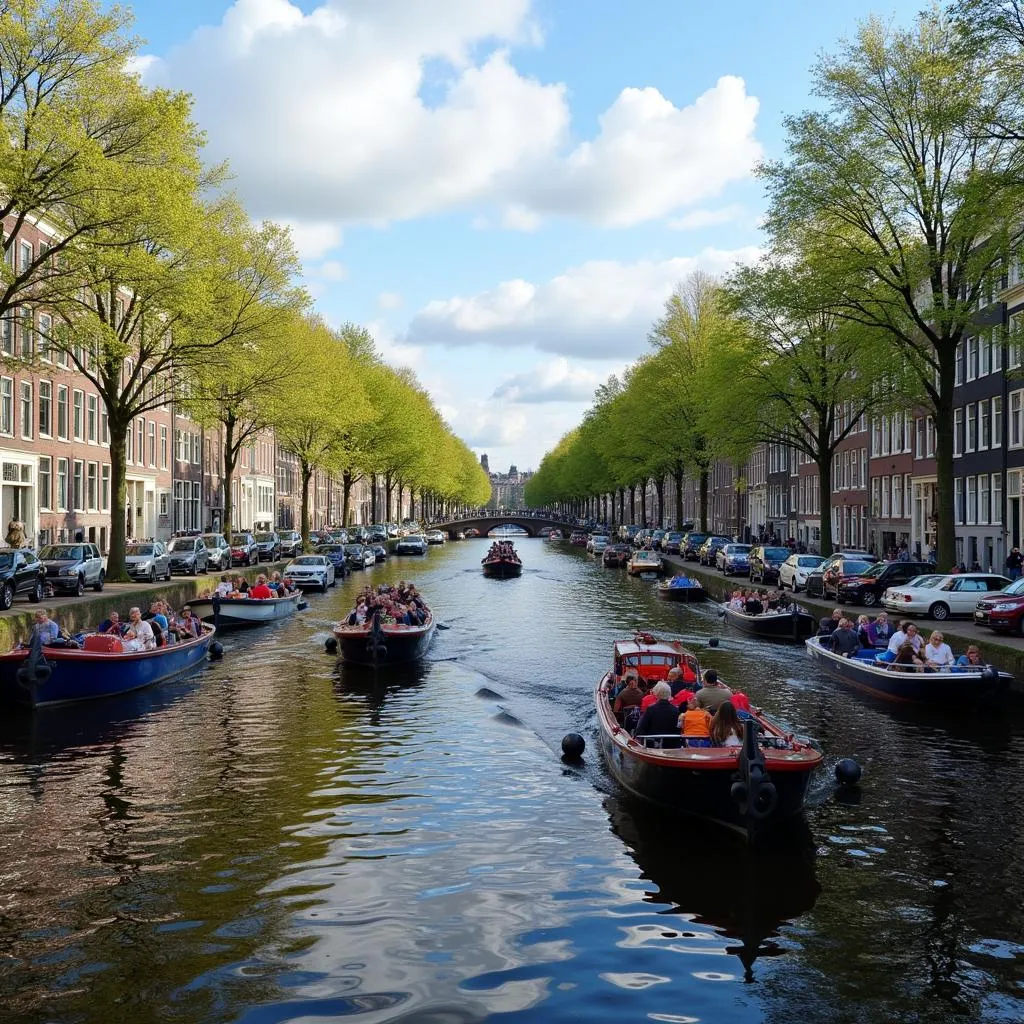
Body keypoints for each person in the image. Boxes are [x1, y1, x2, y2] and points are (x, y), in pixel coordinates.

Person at [635, 682, 683, 747]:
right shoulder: (676, 710)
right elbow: (679, 728)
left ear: (656, 694)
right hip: (672, 745)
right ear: (669, 693)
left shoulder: (651, 709)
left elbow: (642, 729)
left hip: (654, 745)